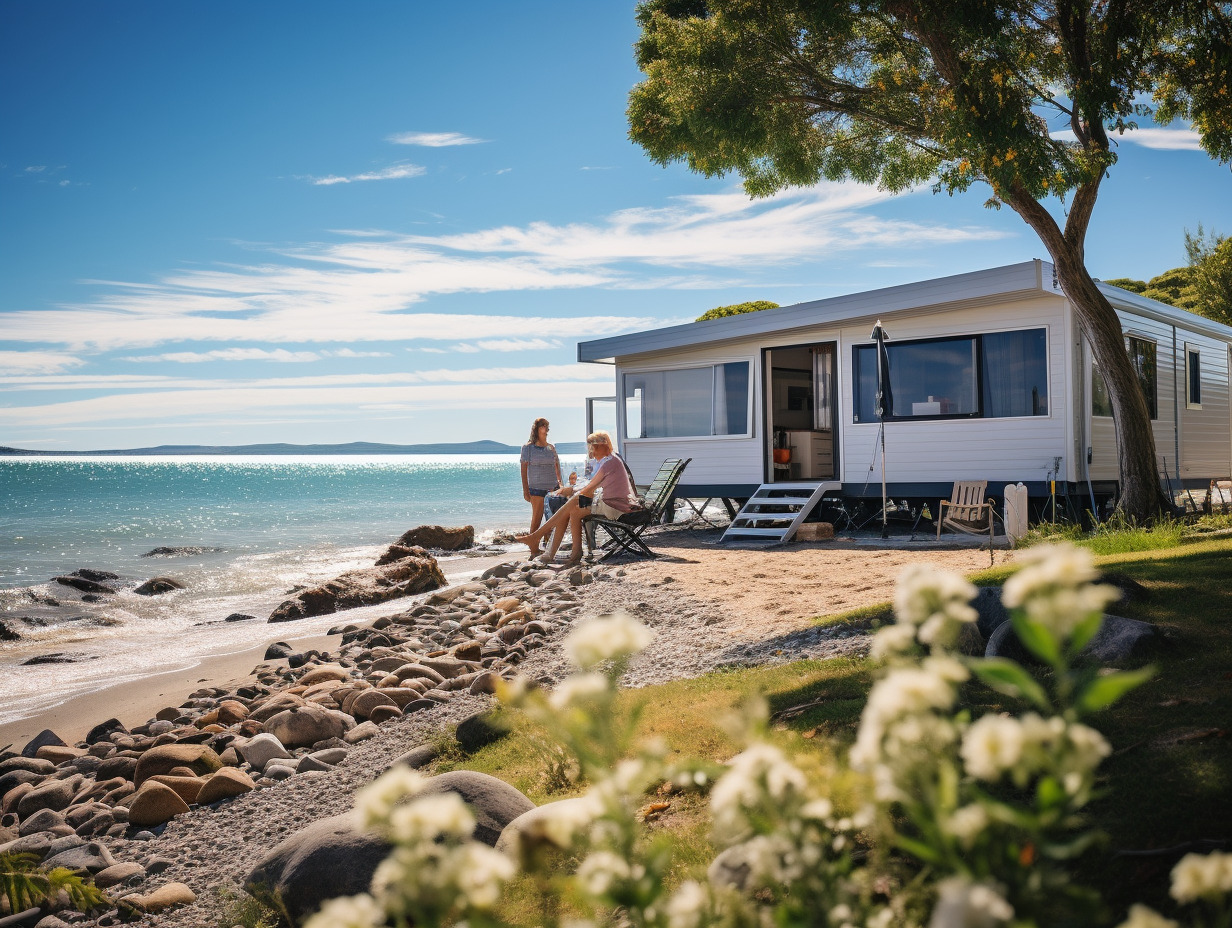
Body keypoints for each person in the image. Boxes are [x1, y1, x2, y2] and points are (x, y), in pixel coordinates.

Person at [515, 430, 635, 565]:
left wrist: (570, 490)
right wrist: (571, 490)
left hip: (615, 507)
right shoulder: (610, 460)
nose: (591, 453)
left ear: (601, 446)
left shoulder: (609, 463)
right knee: (573, 510)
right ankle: (570, 553)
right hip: (613, 503)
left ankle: (538, 537)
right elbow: (592, 485)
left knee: (575, 500)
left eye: (592, 448)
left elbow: (590, 488)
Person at [520, 417, 562, 535]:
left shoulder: (551, 447)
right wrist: (525, 490)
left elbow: (557, 466)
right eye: (543, 425)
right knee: (536, 520)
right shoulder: (528, 448)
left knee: (552, 520)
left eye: (547, 425)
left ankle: (548, 547)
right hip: (536, 489)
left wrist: (561, 484)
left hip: (553, 488)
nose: (546, 428)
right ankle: (533, 547)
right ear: (536, 428)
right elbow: (523, 470)